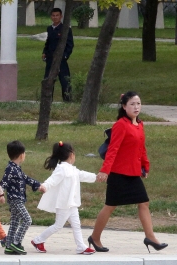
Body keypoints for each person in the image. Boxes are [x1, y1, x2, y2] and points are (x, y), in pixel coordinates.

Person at [89, 91, 168, 253]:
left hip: (133, 173)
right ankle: (95, 238)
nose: (136, 107)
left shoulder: (140, 125)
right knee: (110, 206)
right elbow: (113, 149)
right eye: (132, 104)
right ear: (124, 107)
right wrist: (105, 170)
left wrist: (145, 166)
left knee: (144, 202)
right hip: (118, 173)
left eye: (138, 103)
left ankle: (150, 237)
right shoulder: (121, 124)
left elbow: (141, 148)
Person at [31, 141, 97, 255]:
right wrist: (45, 186)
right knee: (58, 225)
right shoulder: (62, 168)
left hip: (71, 203)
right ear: (71, 155)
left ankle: (81, 246)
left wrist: (96, 177)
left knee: (76, 224)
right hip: (64, 203)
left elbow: (82, 175)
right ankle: (38, 240)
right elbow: (52, 179)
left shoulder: (72, 169)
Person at [0, 140, 45, 255]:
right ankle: (16, 242)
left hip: (18, 199)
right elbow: (3, 182)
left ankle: (9, 246)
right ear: (21, 155)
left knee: (15, 222)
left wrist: (38, 185)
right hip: (15, 200)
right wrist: (0, 194)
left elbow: (26, 178)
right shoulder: (10, 169)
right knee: (27, 219)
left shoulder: (16, 168)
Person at [43, 8, 74, 102]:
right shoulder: (49, 28)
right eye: (53, 15)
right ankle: (47, 101)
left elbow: (70, 44)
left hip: (61, 60)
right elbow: (48, 42)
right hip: (50, 59)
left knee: (65, 81)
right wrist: (44, 52)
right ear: (51, 16)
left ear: (61, 16)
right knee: (48, 80)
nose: (55, 17)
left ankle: (67, 100)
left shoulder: (65, 29)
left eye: (57, 15)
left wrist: (65, 56)